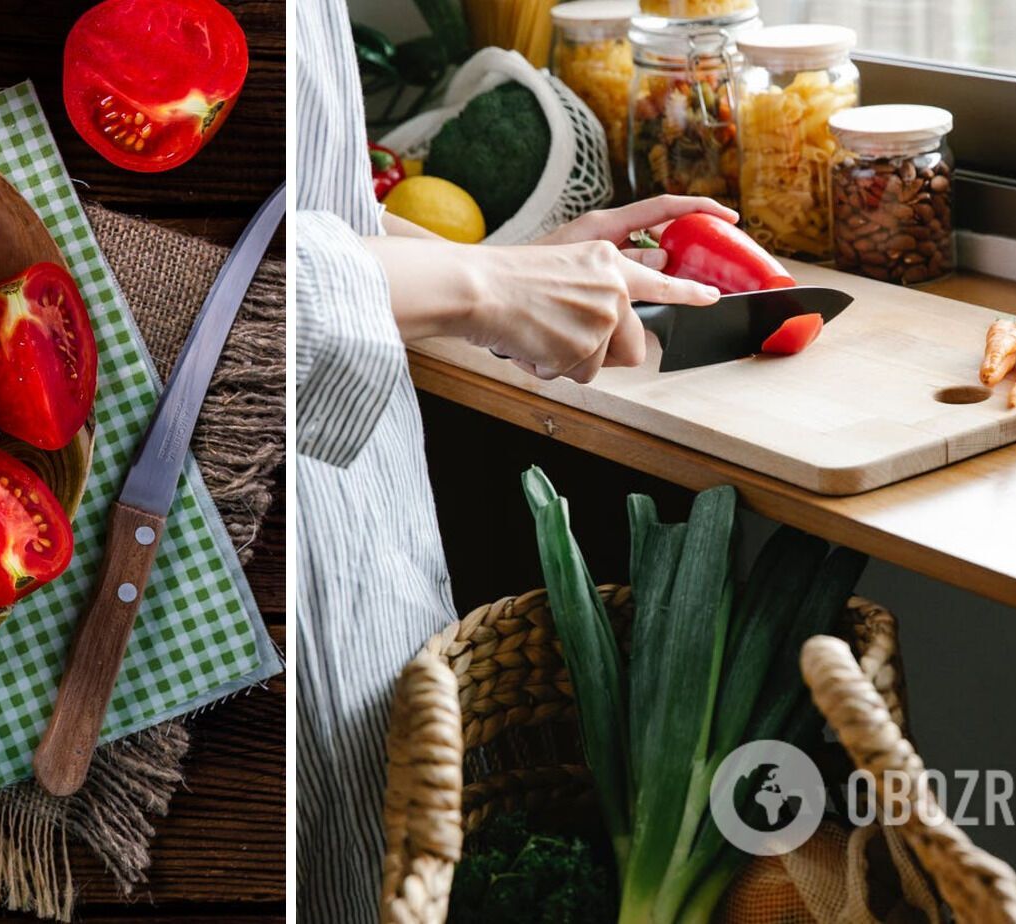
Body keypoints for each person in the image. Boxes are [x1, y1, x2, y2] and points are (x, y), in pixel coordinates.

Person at [293, 0, 738, 918]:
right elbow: (175, 270)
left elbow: (312, 212)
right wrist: (482, 286)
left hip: (350, 524)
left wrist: (511, 267)